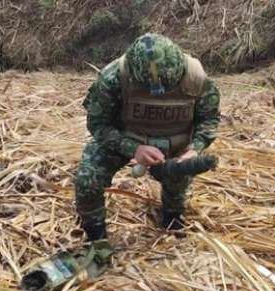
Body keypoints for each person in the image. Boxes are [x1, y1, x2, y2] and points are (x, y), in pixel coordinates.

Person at [75, 33, 221, 249]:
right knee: (88, 179)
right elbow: (98, 124)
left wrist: (194, 149)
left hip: (175, 142)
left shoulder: (196, 78)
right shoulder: (114, 77)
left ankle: (173, 219)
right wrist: (133, 149)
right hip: (124, 137)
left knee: (177, 178)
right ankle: (96, 239)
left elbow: (209, 119)